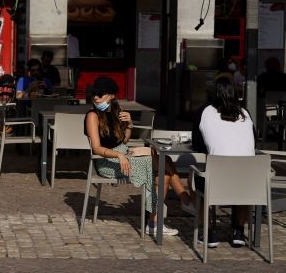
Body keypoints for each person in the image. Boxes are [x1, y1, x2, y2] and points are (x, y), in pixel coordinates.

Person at [84, 76, 190, 236]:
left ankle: (162, 215)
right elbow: (97, 148)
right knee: (163, 172)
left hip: (123, 153)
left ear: (112, 96)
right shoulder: (92, 115)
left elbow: (124, 139)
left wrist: (129, 124)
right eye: (94, 94)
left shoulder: (115, 111)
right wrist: (120, 156)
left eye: (101, 94)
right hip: (107, 161)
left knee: (163, 162)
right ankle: (179, 204)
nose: (96, 98)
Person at [198, 76, 256, 248]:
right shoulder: (245, 113)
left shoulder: (205, 111)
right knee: (242, 178)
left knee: (196, 182)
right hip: (248, 182)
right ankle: (239, 230)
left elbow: (197, 143)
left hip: (217, 181)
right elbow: (254, 141)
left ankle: (209, 232)